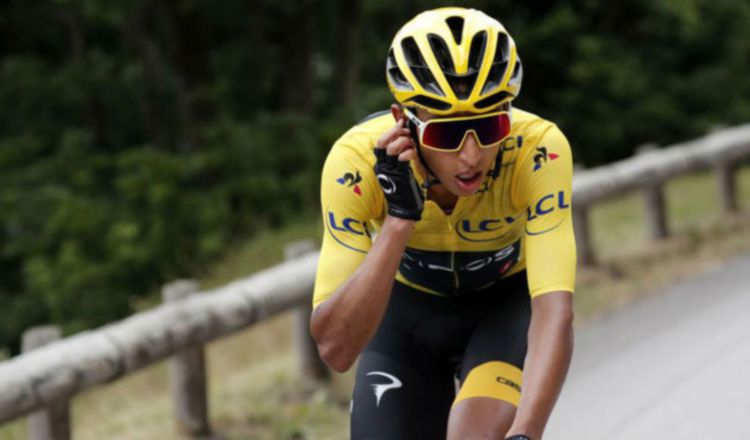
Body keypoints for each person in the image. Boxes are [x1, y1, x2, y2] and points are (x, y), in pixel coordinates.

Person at [310, 7, 575, 440]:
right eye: (447, 136)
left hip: (502, 310)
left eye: (490, 127)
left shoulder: (538, 150)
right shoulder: (355, 165)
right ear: (404, 122)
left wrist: (525, 434)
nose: (471, 155)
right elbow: (335, 349)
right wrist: (398, 220)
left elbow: (554, 310)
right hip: (406, 319)